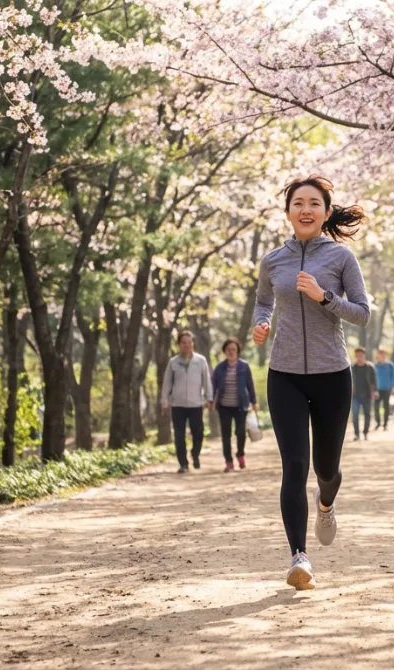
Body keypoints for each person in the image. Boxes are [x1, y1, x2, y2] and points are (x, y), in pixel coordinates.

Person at [252, 175, 370, 590]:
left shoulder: (340, 259)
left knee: (326, 468)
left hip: (332, 375)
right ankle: (298, 558)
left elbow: (362, 313)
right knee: (294, 466)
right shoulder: (272, 261)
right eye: (298, 203)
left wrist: (324, 297)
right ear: (288, 212)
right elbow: (264, 300)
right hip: (283, 374)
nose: (306, 209)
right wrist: (261, 323)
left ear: (325, 211)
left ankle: (327, 502)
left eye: (314, 203)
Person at [160, 331, 213, 473]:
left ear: (193, 344)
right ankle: (183, 463)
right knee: (179, 435)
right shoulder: (173, 362)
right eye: (184, 342)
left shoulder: (200, 361)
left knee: (199, 433)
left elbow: (206, 380)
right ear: (179, 345)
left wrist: (209, 398)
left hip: (196, 404)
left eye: (190, 342)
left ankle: (195, 454)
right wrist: (164, 401)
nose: (187, 345)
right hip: (178, 405)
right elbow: (167, 383)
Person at [212, 337, 258, 472]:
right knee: (226, 435)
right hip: (224, 406)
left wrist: (254, 402)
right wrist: (210, 401)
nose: (231, 352)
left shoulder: (244, 366)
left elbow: (250, 385)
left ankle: (240, 455)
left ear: (238, 351)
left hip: (241, 405)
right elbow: (213, 386)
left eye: (234, 349)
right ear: (224, 352)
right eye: (228, 350)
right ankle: (228, 462)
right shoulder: (220, 368)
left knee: (240, 432)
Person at [350, 348, 378, 441]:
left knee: (367, 414)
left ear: (364, 355)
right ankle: (357, 434)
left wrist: (375, 391)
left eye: (361, 355)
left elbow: (374, 380)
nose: (359, 357)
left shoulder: (370, 367)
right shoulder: (352, 368)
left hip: (367, 395)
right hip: (355, 395)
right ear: (355, 356)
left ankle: (365, 433)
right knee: (355, 415)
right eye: (357, 356)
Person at [374, 349, 394, 430]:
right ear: (378, 355)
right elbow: (372, 378)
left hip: (387, 389)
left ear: (385, 355)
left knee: (386, 407)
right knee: (376, 406)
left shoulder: (390, 365)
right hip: (377, 390)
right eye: (380, 354)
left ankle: (385, 424)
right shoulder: (375, 365)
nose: (382, 356)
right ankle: (378, 423)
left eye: (383, 354)